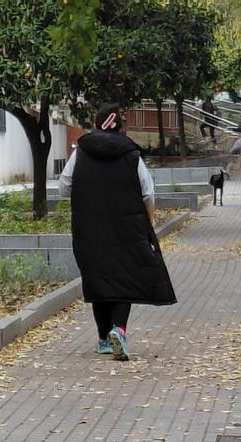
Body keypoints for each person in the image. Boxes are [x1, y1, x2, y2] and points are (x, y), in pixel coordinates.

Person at [57, 104, 176, 361]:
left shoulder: (82, 153)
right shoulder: (131, 154)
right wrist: (150, 220)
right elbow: (147, 191)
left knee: (98, 277)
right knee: (125, 275)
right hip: (127, 227)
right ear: (119, 127)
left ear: (96, 123)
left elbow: (64, 187)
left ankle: (103, 339)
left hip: (89, 228)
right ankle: (119, 330)